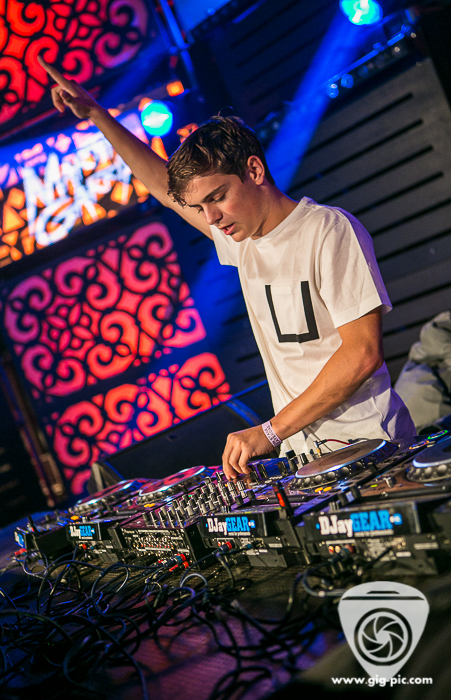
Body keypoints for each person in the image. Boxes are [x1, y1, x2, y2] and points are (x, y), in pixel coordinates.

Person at [38, 57, 415, 479]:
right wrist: (97, 115)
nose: (212, 218)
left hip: (371, 449)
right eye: (201, 207)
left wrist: (270, 432)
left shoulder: (327, 229)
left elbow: (362, 354)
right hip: (311, 460)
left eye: (217, 197)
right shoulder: (243, 241)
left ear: (254, 169)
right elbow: (162, 186)